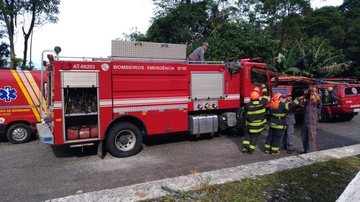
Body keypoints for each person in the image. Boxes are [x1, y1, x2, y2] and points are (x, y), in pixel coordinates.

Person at [241, 86, 268, 154]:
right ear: (258, 97)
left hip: (250, 125)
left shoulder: (248, 105)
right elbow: (265, 96)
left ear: (251, 97)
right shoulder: (262, 103)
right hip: (258, 126)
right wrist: (263, 88)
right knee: (254, 137)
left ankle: (245, 147)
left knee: (247, 136)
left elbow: (244, 113)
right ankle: (251, 150)